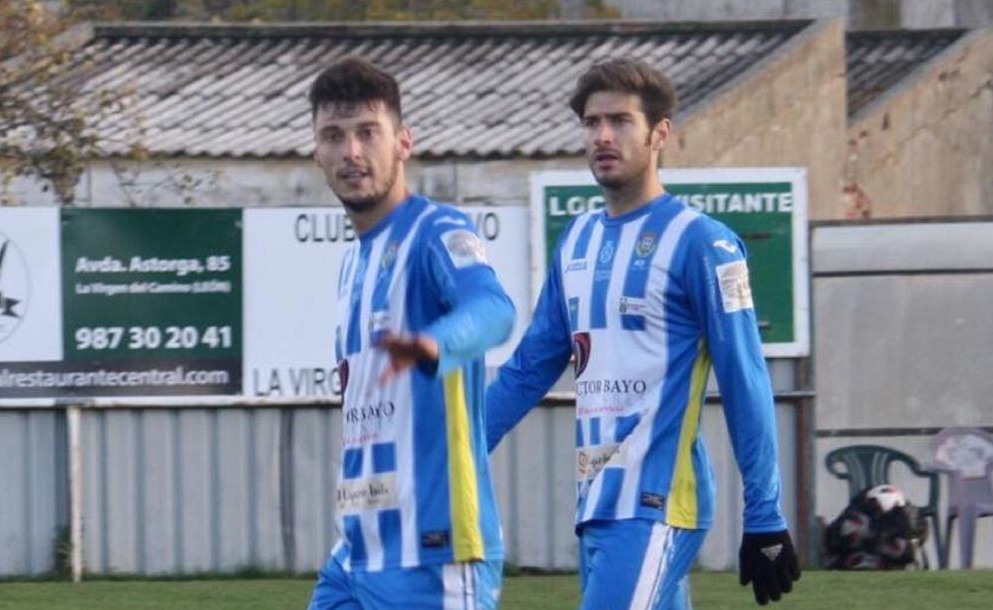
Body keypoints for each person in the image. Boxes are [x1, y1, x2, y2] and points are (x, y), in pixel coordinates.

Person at [485, 58, 801, 609]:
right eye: (591, 122)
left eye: (621, 121)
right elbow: (529, 367)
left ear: (660, 133)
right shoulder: (577, 238)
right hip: (598, 503)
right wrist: (454, 452)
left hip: (657, 501)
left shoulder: (704, 242)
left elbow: (746, 378)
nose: (603, 135)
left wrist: (766, 513)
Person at [306, 56, 515, 610]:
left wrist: (435, 344)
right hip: (358, 548)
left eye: (367, 133)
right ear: (317, 154)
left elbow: (494, 308)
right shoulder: (354, 263)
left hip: (433, 549)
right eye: (334, 136)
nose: (351, 152)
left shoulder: (435, 232)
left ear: (403, 143)